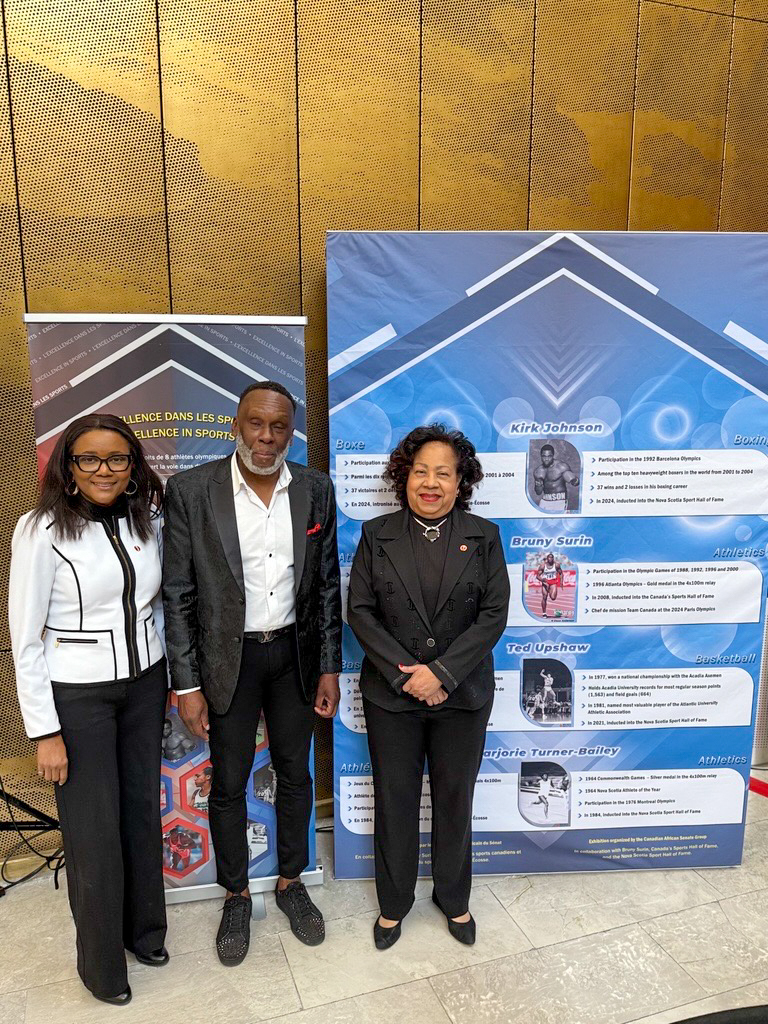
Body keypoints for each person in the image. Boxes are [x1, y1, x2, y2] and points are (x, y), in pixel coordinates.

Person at [163, 380, 342, 964]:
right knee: (231, 782)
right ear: (236, 424)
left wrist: (328, 669)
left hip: (293, 656)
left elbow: (325, 587)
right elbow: (179, 593)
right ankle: (236, 894)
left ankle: (291, 884)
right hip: (226, 663)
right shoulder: (191, 490)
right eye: (256, 424)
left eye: (279, 427)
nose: (266, 438)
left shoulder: (315, 489)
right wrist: (186, 683)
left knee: (295, 774)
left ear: (291, 430)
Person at [8, 414, 169, 1007]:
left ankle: (145, 932)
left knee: (140, 814)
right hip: (78, 697)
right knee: (94, 830)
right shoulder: (41, 529)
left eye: (118, 459)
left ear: (133, 466)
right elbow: (24, 639)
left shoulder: (146, 519)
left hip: (147, 684)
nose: (105, 470)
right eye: (90, 459)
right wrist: (44, 731)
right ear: (68, 468)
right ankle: (102, 967)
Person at [347, 424, 510, 950]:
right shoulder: (377, 534)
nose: (431, 482)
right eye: (421, 471)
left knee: (454, 798)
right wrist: (408, 676)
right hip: (391, 697)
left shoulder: (484, 535)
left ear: (461, 481)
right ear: (404, 477)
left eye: (444, 472)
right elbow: (361, 613)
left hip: (462, 696)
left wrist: (440, 674)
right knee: (394, 800)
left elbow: (493, 616)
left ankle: (453, 898)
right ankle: (394, 905)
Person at [533, 443, 579, 513]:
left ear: (553, 455)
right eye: (544, 456)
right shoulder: (538, 471)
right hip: (545, 500)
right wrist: (538, 485)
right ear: (541, 456)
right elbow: (538, 492)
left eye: (549, 456)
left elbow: (576, 483)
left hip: (560, 500)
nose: (546, 459)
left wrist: (574, 480)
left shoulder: (561, 466)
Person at [536, 552, 563, 617]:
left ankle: (550, 591)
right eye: (549, 557)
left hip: (553, 582)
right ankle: (544, 613)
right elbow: (537, 576)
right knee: (544, 597)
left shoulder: (556, 565)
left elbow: (561, 573)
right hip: (545, 582)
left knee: (553, 598)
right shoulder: (542, 566)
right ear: (547, 558)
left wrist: (561, 582)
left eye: (551, 557)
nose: (550, 559)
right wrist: (543, 580)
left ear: (553, 558)